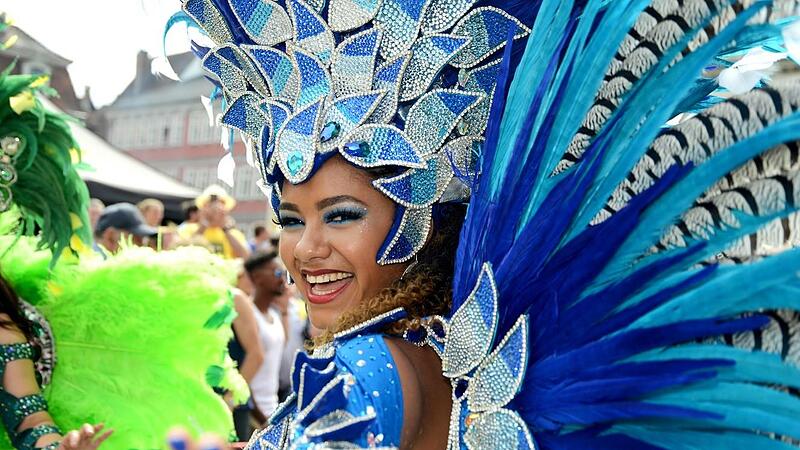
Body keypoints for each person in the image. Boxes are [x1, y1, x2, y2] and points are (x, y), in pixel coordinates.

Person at [167, 0, 800, 449]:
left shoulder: (361, 370)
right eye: (290, 217)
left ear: (423, 221)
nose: (307, 248)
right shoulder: (458, 364)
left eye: (343, 215)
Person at [242, 252, 286, 422]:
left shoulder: (275, 316)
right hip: (253, 416)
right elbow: (241, 369)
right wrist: (260, 419)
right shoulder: (247, 316)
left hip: (272, 411)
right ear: (257, 278)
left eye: (282, 273)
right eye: (276, 273)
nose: (282, 279)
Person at [179, 186, 250, 259]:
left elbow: (246, 257)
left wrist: (225, 229)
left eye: (220, 205)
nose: (215, 209)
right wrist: (204, 225)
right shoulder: (188, 229)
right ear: (202, 208)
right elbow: (183, 250)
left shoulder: (235, 234)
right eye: (210, 204)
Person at [93, 203, 157, 256]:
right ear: (110, 236)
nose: (142, 245)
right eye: (135, 238)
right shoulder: (92, 264)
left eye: (143, 238)